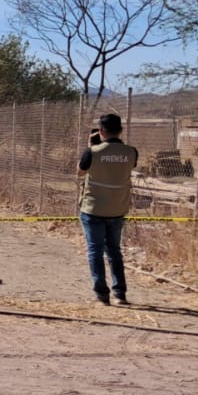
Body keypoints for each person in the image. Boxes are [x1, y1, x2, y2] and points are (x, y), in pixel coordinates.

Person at [78, 112, 138, 306]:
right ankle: (120, 294)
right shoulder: (131, 152)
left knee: (95, 250)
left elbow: (79, 172)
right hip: (117, 209)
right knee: (114, 251)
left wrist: (91, 147)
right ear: (120, 131)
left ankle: (102, 295)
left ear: (101, 131)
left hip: (93, 209)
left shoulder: (92, 152)